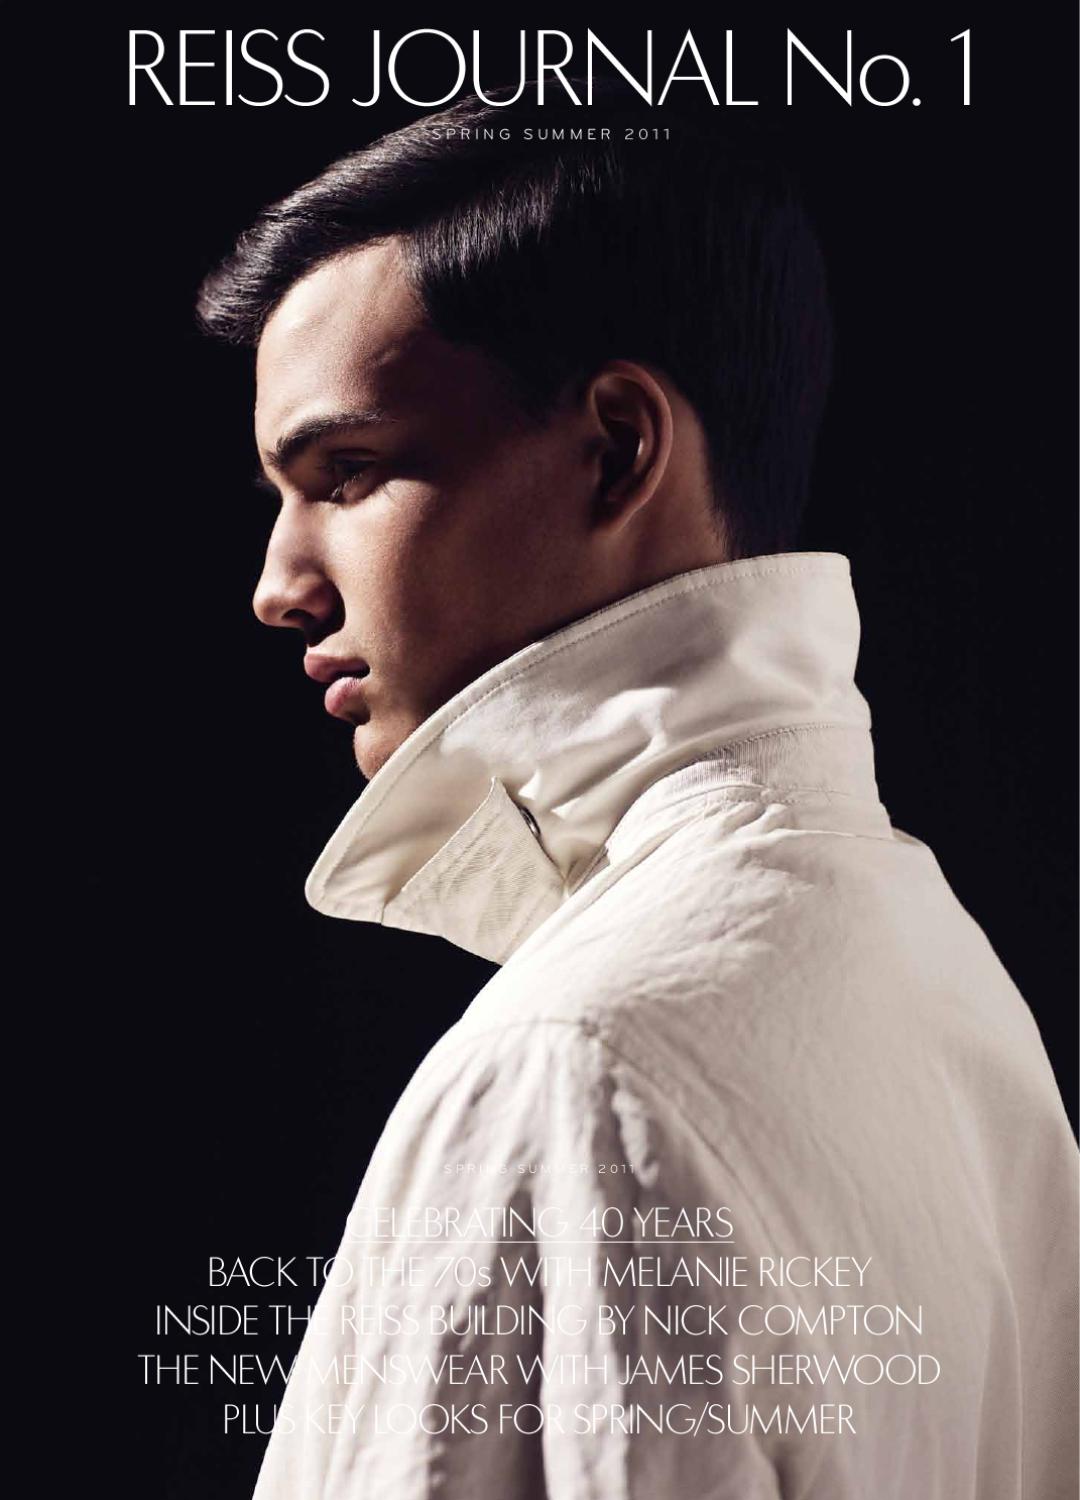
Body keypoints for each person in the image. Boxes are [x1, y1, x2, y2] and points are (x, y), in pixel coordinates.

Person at [195, 86, 1078, 1500]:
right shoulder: (947, 982)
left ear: (614, 447)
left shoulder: (571, 1062)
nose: (279, 585)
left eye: (347, 473)